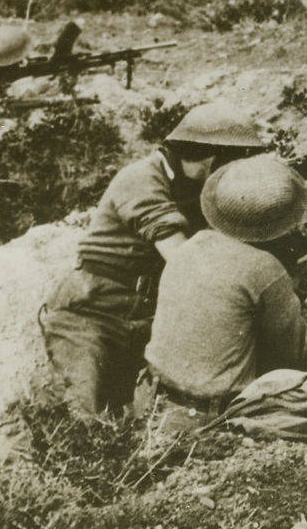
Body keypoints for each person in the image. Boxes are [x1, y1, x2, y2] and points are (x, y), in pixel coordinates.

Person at [38, 104, 269, 415]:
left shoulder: (191, 185)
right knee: (82, 412)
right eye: (233, 165)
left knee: (149, 415)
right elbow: (183, 260)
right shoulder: (141, 179)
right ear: (212, 162)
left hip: (149, 316)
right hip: (92, 313)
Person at [135, 155, 307, 436]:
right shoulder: (264, 267)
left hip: (149, 401)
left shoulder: (193, 244)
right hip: (205, 420)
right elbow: (299, 346)